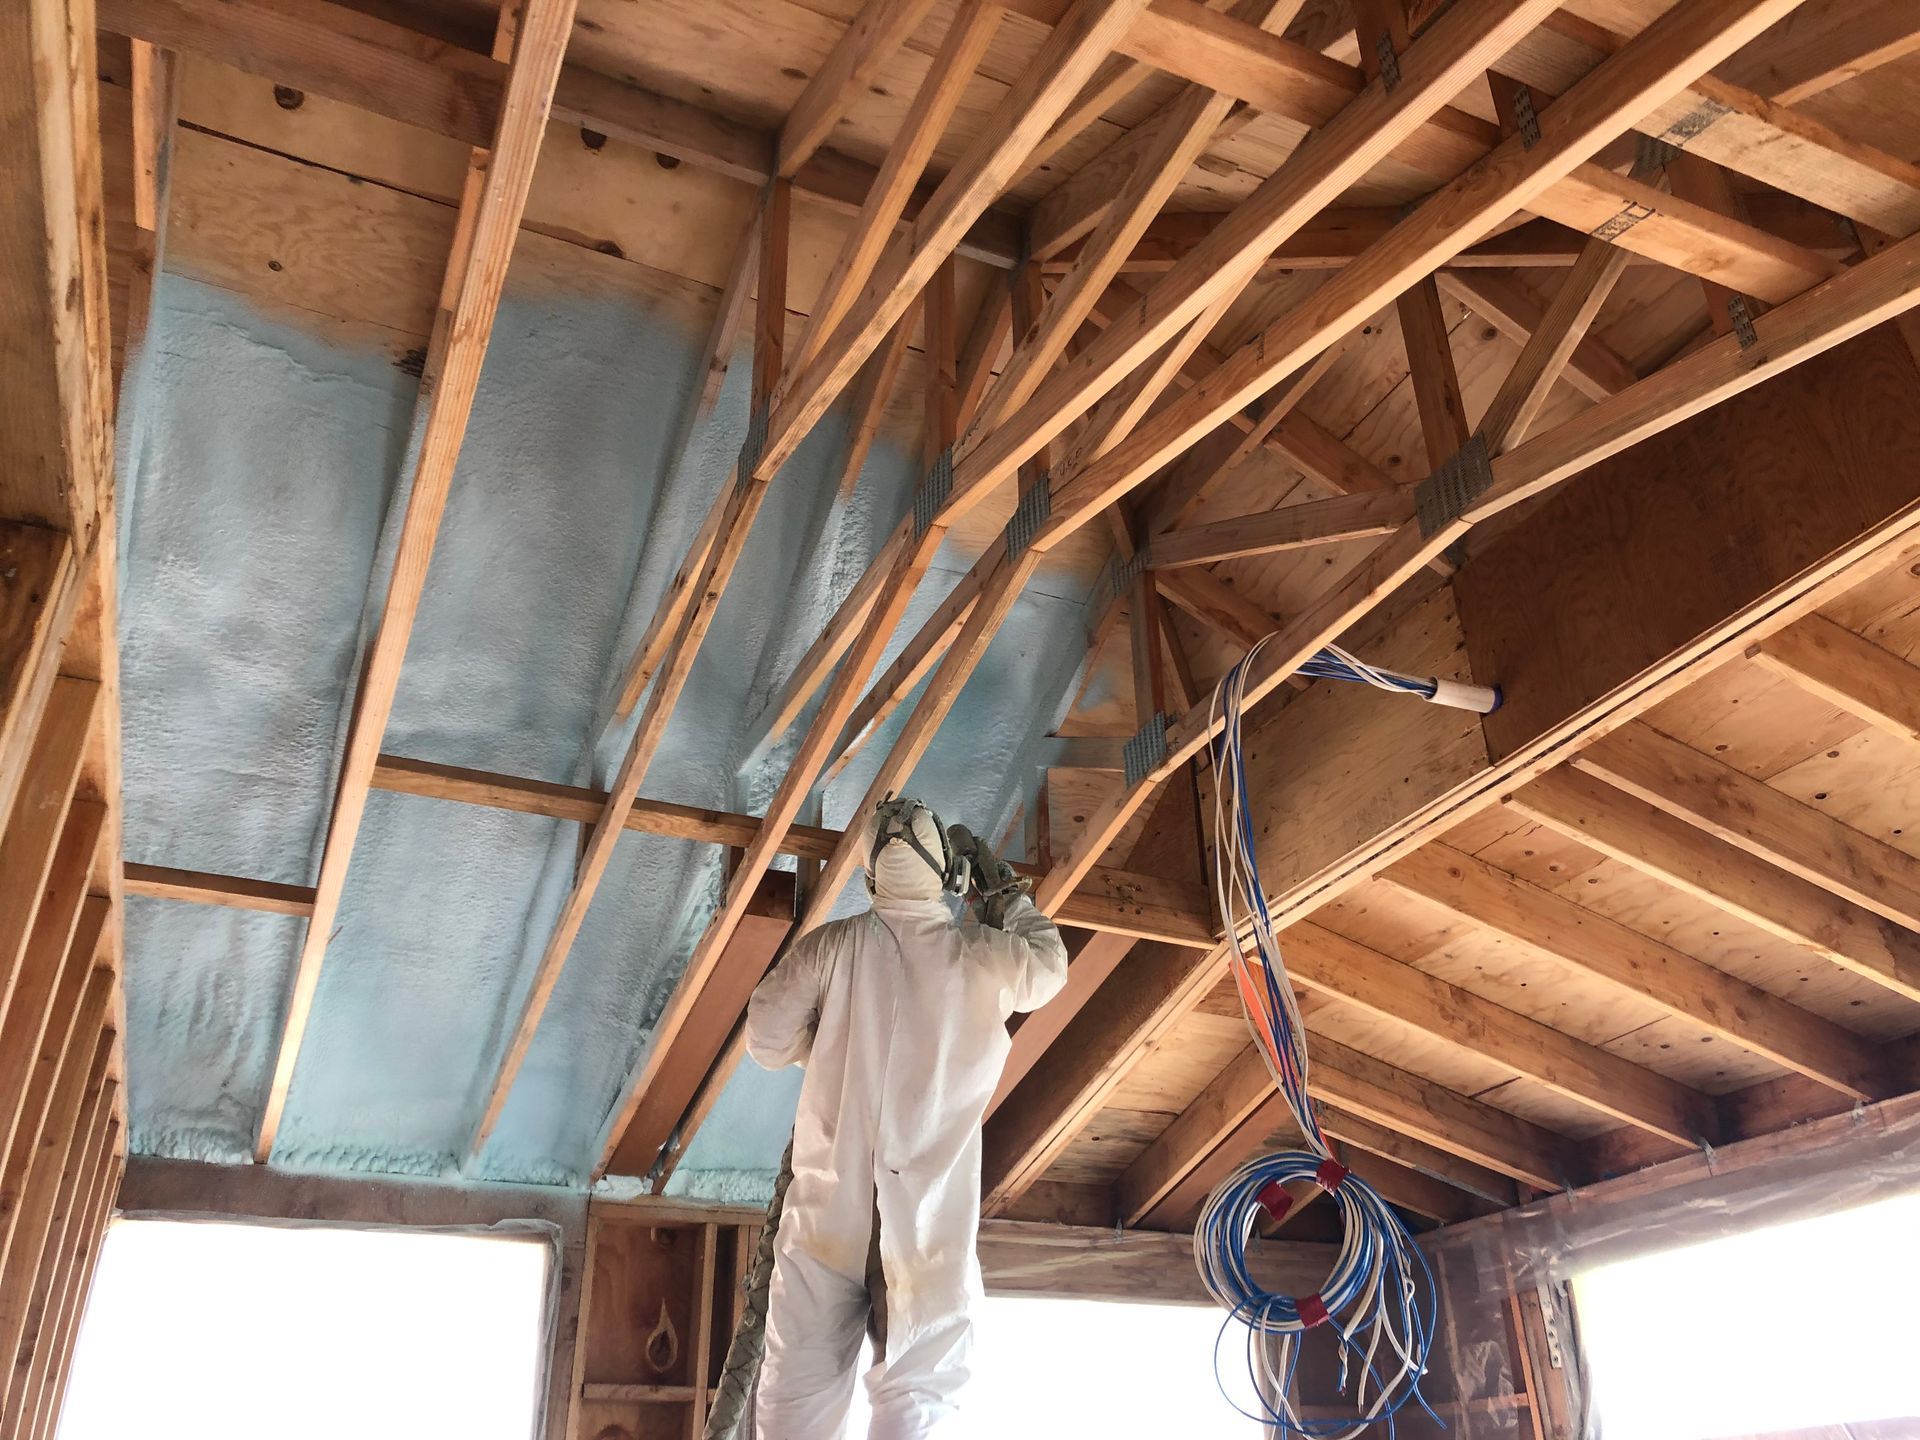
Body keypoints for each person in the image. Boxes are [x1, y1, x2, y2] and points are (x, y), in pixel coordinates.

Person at [745, 796, 1069, 1440]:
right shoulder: (978, 954)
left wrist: (834, 1058)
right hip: (924, 1226)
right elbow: (1048, 969)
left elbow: (766, 1038)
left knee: (795, 1401)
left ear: (868, 875)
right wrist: (1002, 890)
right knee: (918, 1400)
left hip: (825, 1218)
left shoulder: (829, 949)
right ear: (949, 875)